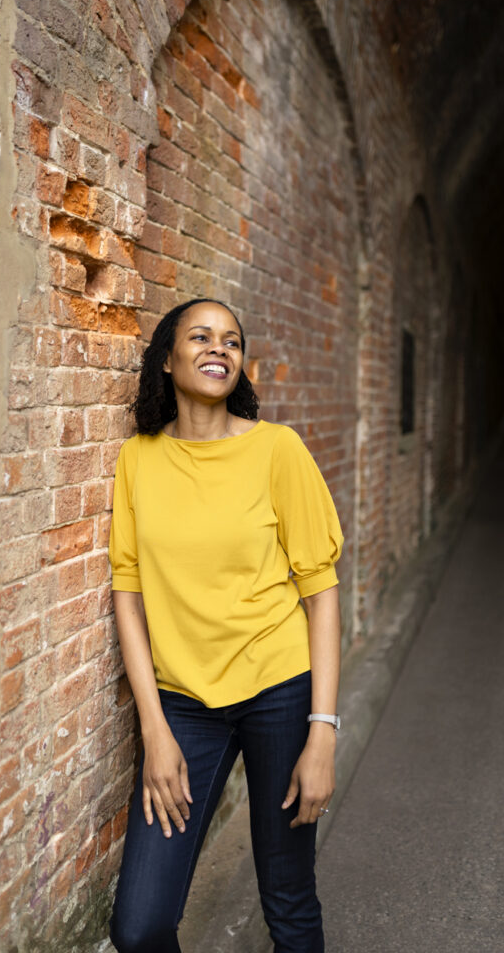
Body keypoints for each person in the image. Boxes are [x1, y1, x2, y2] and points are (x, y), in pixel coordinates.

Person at [108, 298, 344, 953]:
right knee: (139, 926)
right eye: (201, 337)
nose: (219, 348)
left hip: (279, 692)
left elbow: (320, 594)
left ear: (239, 365)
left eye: (232, 341)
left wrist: (321, 735)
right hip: (183, 705)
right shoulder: (139, 459)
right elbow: (127, 594)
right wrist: (153, 730)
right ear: (168, 357)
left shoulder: (276, 450)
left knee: (288, 899)